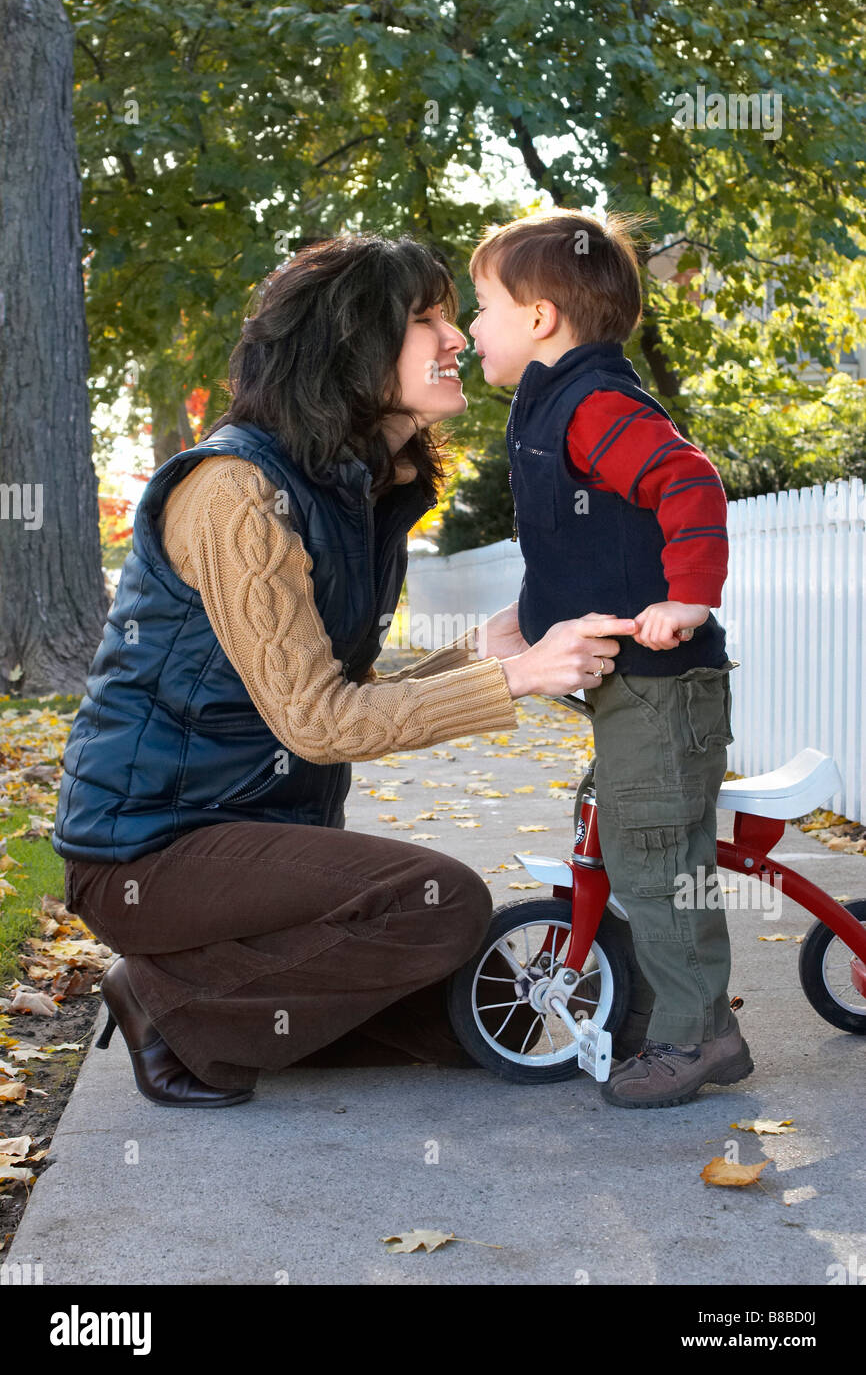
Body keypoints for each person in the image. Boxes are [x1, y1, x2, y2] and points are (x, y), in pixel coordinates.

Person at [54, 232, 636, 1108]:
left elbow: (334, 695)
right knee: (440, 904)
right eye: (425, 318)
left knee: (487, 1028)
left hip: (264, 836)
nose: (455, 339)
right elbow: (317, 723)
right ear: (349, 344)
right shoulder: (235, 491)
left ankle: (221, 991)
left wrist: (478, 657)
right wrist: (517, 682)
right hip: (151, 851)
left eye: (451, 315)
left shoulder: (357, 490)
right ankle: (163, 998)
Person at [467, 208, 753, 1108]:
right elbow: (578, 549)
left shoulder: (595, 406)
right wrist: (523, 618)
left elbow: (688, 482)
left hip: (663, 686)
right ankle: (667, 1012)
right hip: (631, 689)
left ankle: (697, 1037)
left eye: (481, 305)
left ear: (541, 316)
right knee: (632, 849)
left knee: (660, 863)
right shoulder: (552, 411)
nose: (471, 327)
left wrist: (687, 597)